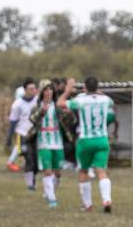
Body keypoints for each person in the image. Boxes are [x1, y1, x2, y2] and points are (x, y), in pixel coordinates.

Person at [58, 76, 117, 213]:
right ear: (97, 87)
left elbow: (60, 103)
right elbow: (111, 102)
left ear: (85, 87)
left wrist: (67, 90)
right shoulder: (105, 100)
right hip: (102, 140)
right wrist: (100, 93)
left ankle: (88, 205)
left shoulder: (80, 100)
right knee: (101, 171)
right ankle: (106, 199)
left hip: (85, 140)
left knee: (84, 171)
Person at [29, 80, 72, 208]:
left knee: (57, 171)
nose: (49, 92)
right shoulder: (36, 107)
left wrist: (69, 114)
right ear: (42, 92)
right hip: (43, 143)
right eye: (46, 90)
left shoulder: (57, 106)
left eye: (51, 89)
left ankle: (50, 188)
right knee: (47, 171)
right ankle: (52, 199)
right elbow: (32, 119)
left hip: (57, 142)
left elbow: (70, 120)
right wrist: (42, 111)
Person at [7, 79, 39, 189]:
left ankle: (32, 178)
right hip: (22, 134)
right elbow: (13, 122)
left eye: (35, 88)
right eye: (31, 89)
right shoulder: (17, 104)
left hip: (36, 134)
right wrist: (8, 139)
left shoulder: (38, 101)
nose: (33, 91)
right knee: (28, 156)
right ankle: (30, 185)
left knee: (35, 159)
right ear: (25, 90)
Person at [5, 84, 26, 172]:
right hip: (20, 130)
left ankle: (27, 163)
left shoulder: (20, 103)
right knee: (19, 147)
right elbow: (13, 120)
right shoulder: (17, 104)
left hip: (25, 129)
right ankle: (10, 162)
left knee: (26, 146)